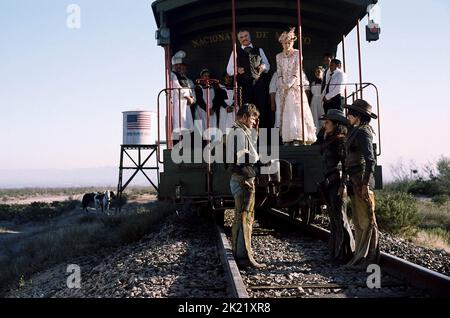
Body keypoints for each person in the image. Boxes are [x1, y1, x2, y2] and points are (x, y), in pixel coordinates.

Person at [227, 103, 265, 269]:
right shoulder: (238, 133)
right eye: (252, 117)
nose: (254, 121)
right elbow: (239, 158)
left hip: (242, 178)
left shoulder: (239, 131)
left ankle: (240, 253)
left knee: (242, 216)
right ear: (243, 117)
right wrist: (247, 177)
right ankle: (245, 257)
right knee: (245, 217)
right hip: (244, 179)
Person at [343, 99, 380, 267]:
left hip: (361, 179)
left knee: (367, 221)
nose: (348, 115)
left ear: (357, 116)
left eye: (351, 113)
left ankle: (368, 258)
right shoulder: (354, 131)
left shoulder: (363, 132)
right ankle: (358, 256)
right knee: (358, 222)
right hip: (354, 179)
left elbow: (370, 160)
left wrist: (365, 184)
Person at [315, 109, 355, 262]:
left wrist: (343, 185)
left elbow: (345, 165)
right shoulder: (328, 138)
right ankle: (336, 253)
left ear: (336, 125)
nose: (324, 125)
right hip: (329, 182)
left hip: (337, 182)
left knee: (340, 218)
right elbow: (317, 144)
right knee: (334, 219)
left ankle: (348, 253)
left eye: (327, 123)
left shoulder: (340, 141)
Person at [276, 28, 316, 145]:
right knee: (286, 111)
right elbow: (279, 71)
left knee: (296, 110)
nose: (287, 45)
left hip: (295, 87)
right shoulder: (279, 56)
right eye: (285, 43)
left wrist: (290, 83)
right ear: (282, 43)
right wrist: (282, 82)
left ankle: (299, 136)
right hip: (284, 87)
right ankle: (288, 137)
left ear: (292, 42)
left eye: (289, 42)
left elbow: (297, 70)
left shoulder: (297, 53)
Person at [226, 30, 271, 128]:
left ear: (250, 37)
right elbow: (229, 70)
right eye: (241, 37)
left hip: (259, 85)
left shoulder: (259, 49)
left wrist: (264, 67)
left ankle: (262, 140)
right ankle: (247, 138)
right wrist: (237, 70)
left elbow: (268, 66)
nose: (244, 38)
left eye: (246, 36)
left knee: (261, 110)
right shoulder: (235, 52)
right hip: (244, 87)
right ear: (238, 40)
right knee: (246, 112)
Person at [170, 50, 195, 142]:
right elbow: (177, 87)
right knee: (180, 125)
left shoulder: (183, 76)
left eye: (179, 65)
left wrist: (191, 97)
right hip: (179, 102)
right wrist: (187, 97)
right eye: (176, 65)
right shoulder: (172, 75)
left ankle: (185, 145)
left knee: (186, 125)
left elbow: (188, 88)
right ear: (173, 66)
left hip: (186, 103)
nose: (178, 67)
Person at [194, 68, 217, 137]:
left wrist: (213, 109)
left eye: (208, 76)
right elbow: (199, 100)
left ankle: (212, 144)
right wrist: (207, 109)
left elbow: (216, 99)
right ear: (201, 77)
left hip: (212, 110)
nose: (207, 77)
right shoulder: (198, 87)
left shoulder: (213, 88)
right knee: (202, 129)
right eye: (205, 76)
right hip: (202, 110)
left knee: (212, 128)